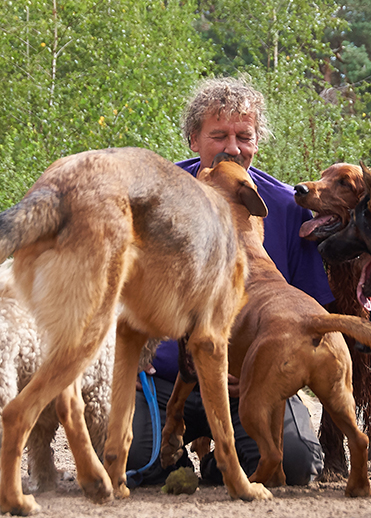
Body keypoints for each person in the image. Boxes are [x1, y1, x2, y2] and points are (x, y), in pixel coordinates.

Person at [126, 77, 333, 487]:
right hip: (164, 379)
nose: (233, 147)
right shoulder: (152, 199)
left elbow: (309, 308)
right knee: (127, 459)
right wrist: (128, 354)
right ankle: (172, 454)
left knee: (291, 465)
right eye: (218, 135)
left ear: (258, 141)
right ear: (193, 140)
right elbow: (121, 287)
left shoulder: (286, 208)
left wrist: (267, 366)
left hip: (252, 383)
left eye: (244, 136)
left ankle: (216, 462)